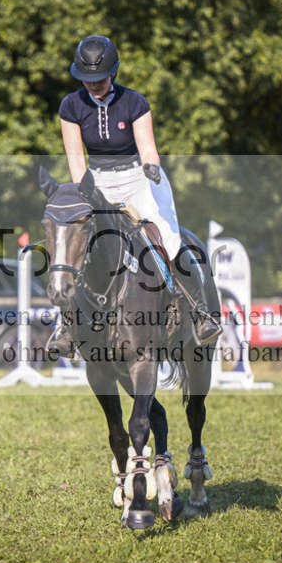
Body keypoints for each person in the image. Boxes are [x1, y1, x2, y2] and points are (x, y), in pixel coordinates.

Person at [48, 34, 222, 354]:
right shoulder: (71, 106)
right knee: (78, 244)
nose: (94, 84)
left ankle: (202, 313)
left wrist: (152, 168)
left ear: (112, 72)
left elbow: (149, 150)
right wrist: (85, 194)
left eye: (99, 78)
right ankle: (65, 325)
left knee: (169, 238)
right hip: (95, 182)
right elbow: (76, 159)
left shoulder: (134, 102)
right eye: (87, 79)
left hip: (138, 177)